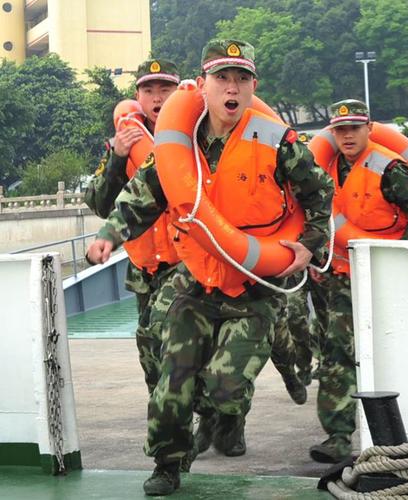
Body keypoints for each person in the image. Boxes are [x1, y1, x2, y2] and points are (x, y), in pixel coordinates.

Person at [86, 39, 334, 496]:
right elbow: (143, 196)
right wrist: (108, 237)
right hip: (197, 279)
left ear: (253, 85)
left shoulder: (278, 142)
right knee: (170, 382)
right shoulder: (180, 144)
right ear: (203, 86)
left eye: (241, 78)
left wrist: (309, 244)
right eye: (222, 77)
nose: (232, 87)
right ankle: (168, 464)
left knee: (223, 387)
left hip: (255, 286)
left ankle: (225, 412)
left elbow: (319, 194)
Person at [309, 100, 408, 463]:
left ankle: (401, 433)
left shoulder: (389, 167)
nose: (347, 135)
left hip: (384, 277)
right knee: (335, 353)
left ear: (369, 128)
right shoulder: (323, 168)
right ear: (331, 134)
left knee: (389, 353)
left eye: (354, 128)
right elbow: (316, 220)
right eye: (340, 129)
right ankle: (337, 436)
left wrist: (398, 261)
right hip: (339, 279)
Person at [84, 59, 180, 394]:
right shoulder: (123, 140)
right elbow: (98, 203)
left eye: (165, 89)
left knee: (185, 349)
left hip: (188, 264)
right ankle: (168, 423)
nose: (157, 98)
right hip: (144, 268)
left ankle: (204, 422)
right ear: (137, 96)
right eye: (148, 90)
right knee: (151, 353)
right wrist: (117, 157)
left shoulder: (194, 136)